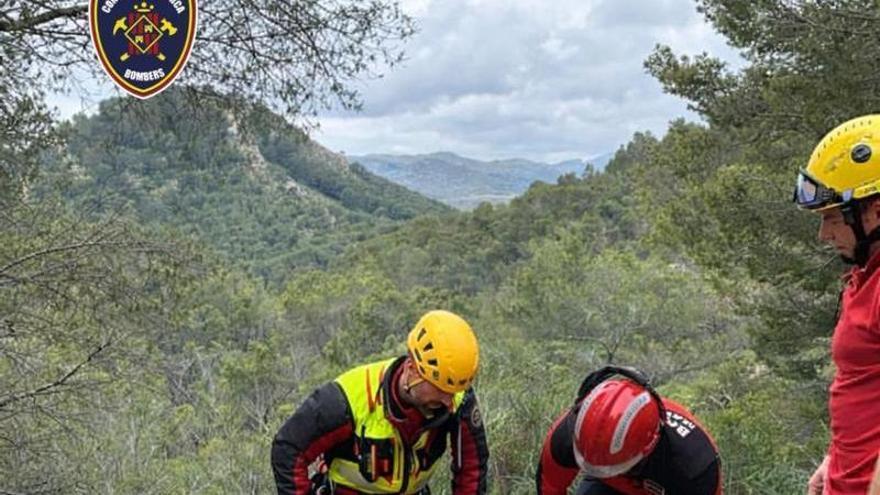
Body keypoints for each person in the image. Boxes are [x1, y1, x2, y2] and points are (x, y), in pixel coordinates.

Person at [271, 309, 489, 495]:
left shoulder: (458, 399)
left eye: (455, 391)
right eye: (441, 389)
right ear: (412, 370)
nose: (449, 401)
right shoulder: (349, 398)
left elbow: (472, 469)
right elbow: (288, 449)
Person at [794, 114, 880, 495]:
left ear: (875, 210)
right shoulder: (866, 275)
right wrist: (835, 459)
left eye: (831, 218)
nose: (823, 234)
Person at [535, 366, 721, 495]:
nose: (611, 473)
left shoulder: (695, 468)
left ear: (649, 448)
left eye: (615, 468)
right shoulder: (568, 437)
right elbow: (550, 487)